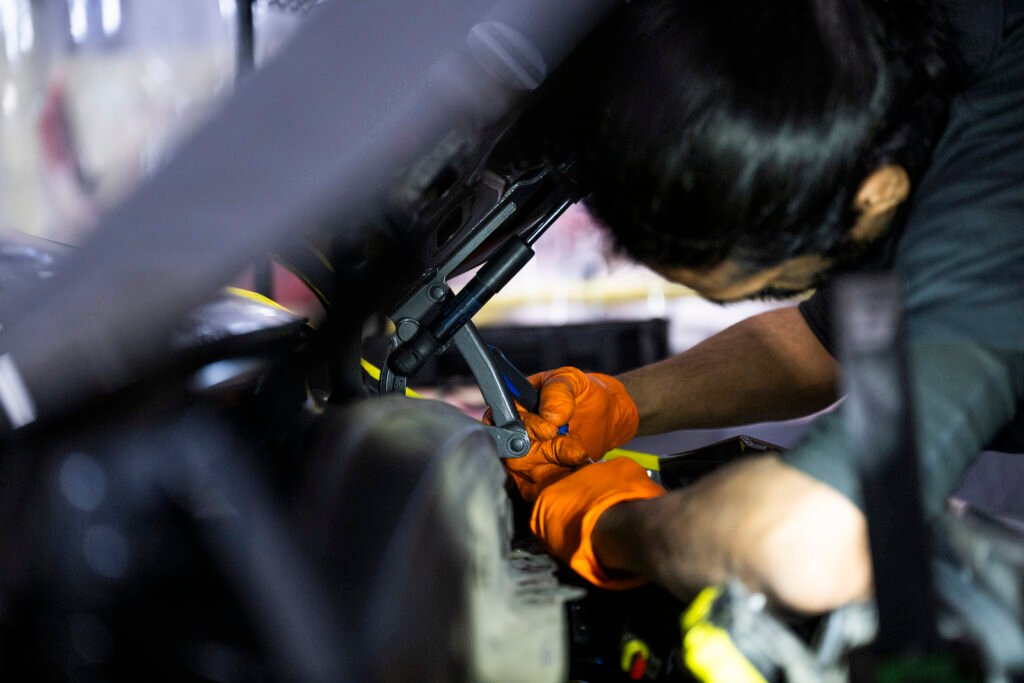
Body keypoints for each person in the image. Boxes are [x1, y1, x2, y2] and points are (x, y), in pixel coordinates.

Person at [507, 0, 1024, 614]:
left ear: (876, 195)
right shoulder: (854, 84)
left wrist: (617, 528)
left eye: (776, 278)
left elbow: (813, 544)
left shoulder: (992, 211)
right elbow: (821, 344)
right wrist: (620, 403)